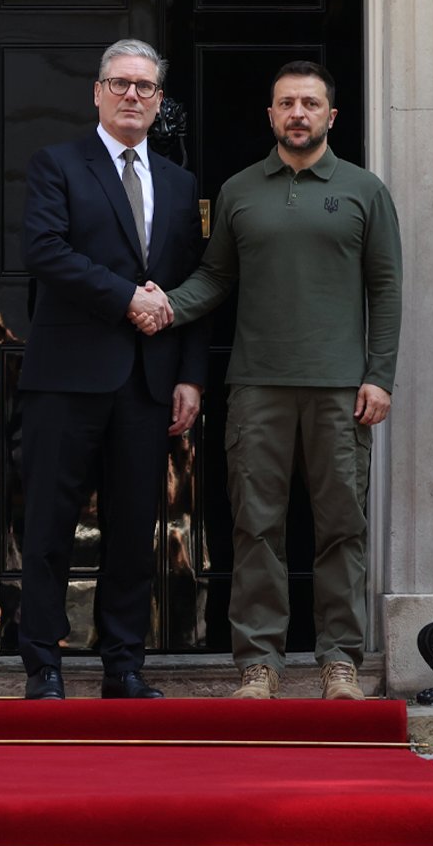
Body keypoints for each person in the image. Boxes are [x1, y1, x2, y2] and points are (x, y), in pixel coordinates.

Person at [131, 62, 402, 701]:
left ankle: (340, 662)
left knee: (342, 526)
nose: (298, 114)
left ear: (332, 116)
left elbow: (385, 289)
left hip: (340, 389)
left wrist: (379, 376)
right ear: (271, 116)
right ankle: (259, 664)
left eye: (311, 103)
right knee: (256, 527)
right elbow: (217, 277)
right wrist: (163, 302)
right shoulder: (240, 191)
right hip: (257, 387)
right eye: (287, 104)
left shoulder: (366, 191)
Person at [18, 39, 208, 700]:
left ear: (159, 102)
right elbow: (45, 251)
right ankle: (43, 664)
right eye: (120, 83)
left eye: (145, 87)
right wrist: (125, 296)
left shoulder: (182, 184)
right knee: (48, 527)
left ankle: (123, 665)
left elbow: (190, 284)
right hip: (66, 378)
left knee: (133, 530)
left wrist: (190, 375)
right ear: (97, 92)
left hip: (148, 382)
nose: (133, 95)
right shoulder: (58, 165)